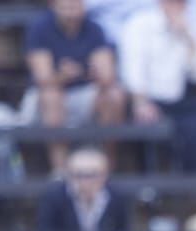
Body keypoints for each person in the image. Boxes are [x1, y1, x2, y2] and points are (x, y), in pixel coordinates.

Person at [118, 0, 196, 173]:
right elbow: (133, 69)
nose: (178, 7)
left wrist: (189, 40)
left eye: (182, 3)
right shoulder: (139, 24)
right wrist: (141, 102)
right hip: (148, 98)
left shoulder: (189, 27)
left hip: (181, 97)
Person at [23, 0, 126, 173]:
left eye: (75, 6)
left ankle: (105, 167)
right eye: (66, 7)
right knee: (51, 95)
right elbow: (42, 78)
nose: (71, 13)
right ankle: (60, 169)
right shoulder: (39, 28)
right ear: (53, 6)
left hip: (85, 94)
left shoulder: (94, 28)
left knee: (114, 95)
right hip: (46, 100)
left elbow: (108, 75)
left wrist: (93, 74)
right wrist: (62, 76)